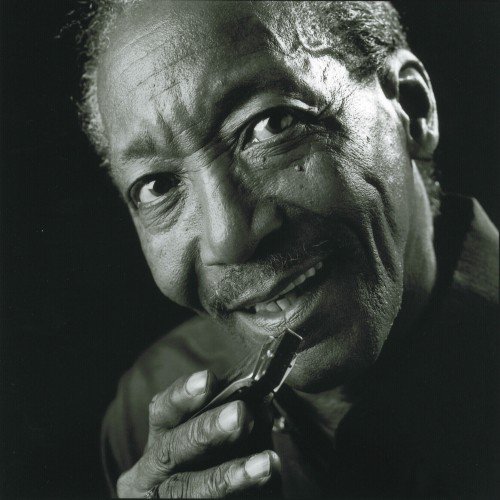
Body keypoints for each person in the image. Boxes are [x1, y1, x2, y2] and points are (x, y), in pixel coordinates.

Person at [78, 1, 498, 497]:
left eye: (272, 124)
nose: (228, 240)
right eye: (158, 186)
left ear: (412, 107)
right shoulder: (149, 413)